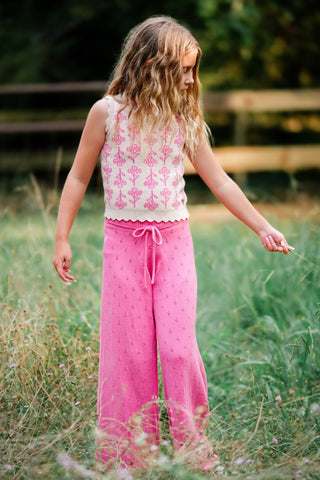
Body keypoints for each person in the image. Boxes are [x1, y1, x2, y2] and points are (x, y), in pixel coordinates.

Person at [52, 15, 293, 473]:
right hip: (122, 244)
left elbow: (218, 179)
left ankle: (193, 448)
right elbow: (79, 174)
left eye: (192, 69)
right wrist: (61, 237)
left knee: (179, 349)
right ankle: (130, 454)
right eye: (181, 69)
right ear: (150, 65)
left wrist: (262, 226)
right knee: (130, 351)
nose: (189, 78)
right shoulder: (107, 113)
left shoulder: (184, 116)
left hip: (174, 244)